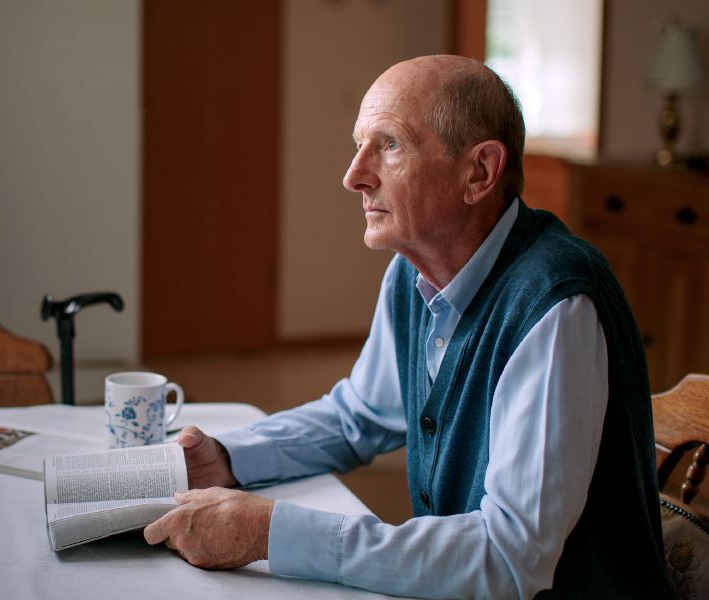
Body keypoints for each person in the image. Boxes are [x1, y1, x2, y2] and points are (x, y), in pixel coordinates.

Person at [142, 55, 673, 599]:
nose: (354, 176)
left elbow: (509, 558)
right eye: (359, 145)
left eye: (390, 144)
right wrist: (227, 458)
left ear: (479, 172)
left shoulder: (554, 302)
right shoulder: (413, 272)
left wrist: (268, 533)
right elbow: (359, 416)